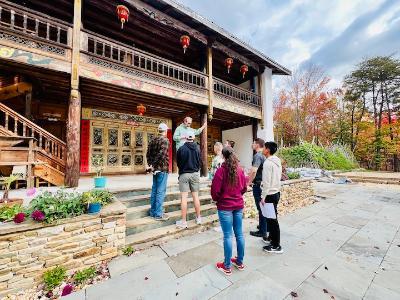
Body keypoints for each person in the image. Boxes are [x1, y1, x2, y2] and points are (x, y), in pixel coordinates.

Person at [211, 147, 247, 275]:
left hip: (225, 207)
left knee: (227, 235)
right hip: (238, 205)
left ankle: (226, 266)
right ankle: (240, 262)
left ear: (223, 156)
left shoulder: (221, 171)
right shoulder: (240, 170)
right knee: (239, 234)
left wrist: (217, 199)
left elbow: (215, 191)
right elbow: (244, 188)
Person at [176, 132, 202, 228]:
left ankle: (183, 222)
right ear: (193, 138)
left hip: (184, 174)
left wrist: (183, 169)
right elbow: (200, 162)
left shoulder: (181, 149)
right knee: (196, 196)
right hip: (195, 174)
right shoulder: (198, 148)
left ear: (185, 138)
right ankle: (198, 218)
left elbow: (178, 162)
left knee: (184, 198)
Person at [262, 141, 283, 253]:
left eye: (264, 148)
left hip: (269, 194)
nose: (262, 149)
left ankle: (276, 245)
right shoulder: (277, 161)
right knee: (271, 219)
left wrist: (263, 197)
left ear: (268, 150)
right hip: (276, 192)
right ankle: (271, 238)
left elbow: (266, 182)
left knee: (272, 221)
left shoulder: (267, 163)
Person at [146, 123, 170, 220]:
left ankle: (153, 211)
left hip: (155, 169)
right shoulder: (165, 140)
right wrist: (154, 166)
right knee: (160, 191)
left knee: (155, 190)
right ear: (165, 131)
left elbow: (148, 154)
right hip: (161, 169)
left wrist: (151, 165)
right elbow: (162, 155)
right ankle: (158, 214)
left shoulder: (153, 140)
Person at [247, 138, 268, 241]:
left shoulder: (257, 156)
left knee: (260, 208)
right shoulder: (263, 155)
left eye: (253, 143)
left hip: (258, 185)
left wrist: (248, 182)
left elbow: (254, 171)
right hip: (262, 184)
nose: (252, 144)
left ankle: (262, 231)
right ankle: (264, 226)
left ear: (257, 145)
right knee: (262, 207)